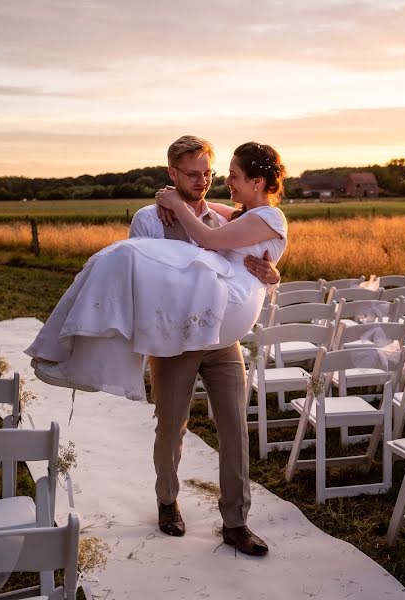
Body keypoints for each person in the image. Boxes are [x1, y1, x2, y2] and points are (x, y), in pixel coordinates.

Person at [26, 136, 288, 556]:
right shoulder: (150, 219)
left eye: (208, 173)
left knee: (235, 428)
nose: (204, 181)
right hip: (173, 344)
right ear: (172, 174)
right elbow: (144, 285)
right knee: (171, 426)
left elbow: (250, 263)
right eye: (193, 174)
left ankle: (236, 522)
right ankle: (167, 501)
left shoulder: (223, 222)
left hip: (222, 342)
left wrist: (273, 276)